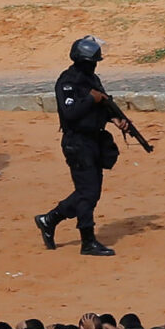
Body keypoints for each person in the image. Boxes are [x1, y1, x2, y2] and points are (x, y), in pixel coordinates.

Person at [34, 35, 129, 257]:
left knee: (90, 192)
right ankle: (87, 241)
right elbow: (70, 112)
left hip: (95, 140)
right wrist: (90, 99)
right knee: (87, 193)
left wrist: (113, 119)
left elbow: (102, 105)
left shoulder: (92, 80)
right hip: (77, 142)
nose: (94, 65)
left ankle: (50, 219)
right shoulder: (67, 82)